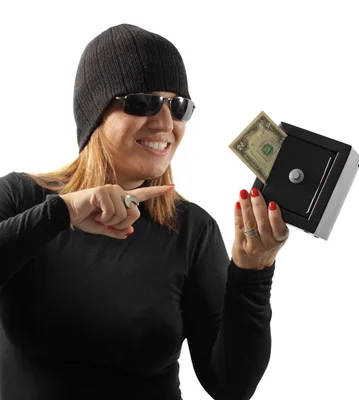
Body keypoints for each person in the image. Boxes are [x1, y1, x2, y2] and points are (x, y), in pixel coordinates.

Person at [0, 23, 289, 400]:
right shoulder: (21, 198)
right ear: (95, 115)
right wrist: (62, 212)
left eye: (179, 106)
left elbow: (230, 385)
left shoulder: (193, 230)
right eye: (143, 102)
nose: (166, 123)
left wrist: (253, 274)